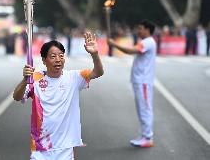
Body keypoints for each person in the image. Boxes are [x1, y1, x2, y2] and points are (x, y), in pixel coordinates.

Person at [13, 32, 104, 160]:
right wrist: (24, 80)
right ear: (44, 60)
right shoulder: (35, 78)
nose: (58, 60)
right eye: (53, 56)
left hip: (64, 148)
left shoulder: (74, 77)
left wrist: (94, 54)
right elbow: (17, 97)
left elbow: (98, 72)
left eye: (61, 56)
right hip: (40, 148)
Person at [107, 20, 156, 148]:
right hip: (139, 80)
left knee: (145, 109)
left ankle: (148, 137)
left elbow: (130, 51)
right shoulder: (145, 42)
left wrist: (114, 44)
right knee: (142, 109)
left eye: (140, 28)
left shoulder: (148, 42)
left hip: (143, 81)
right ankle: (144, 135)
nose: (138, 31)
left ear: (147, 30)